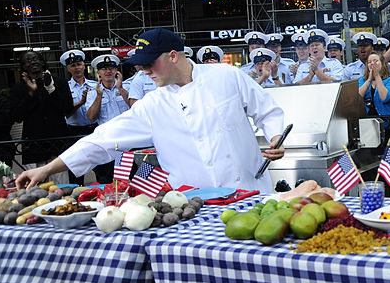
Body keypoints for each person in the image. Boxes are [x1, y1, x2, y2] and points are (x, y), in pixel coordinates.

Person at [15, 28, 286, 192]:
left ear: (172, 55)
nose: (143, 70)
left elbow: (267, 111)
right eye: (140, 65)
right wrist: (47, 170)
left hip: (248, 192)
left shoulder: (226, 75)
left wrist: (276, 138)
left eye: (149, 63)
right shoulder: (152, 106)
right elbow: (101, 141)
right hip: (195, 207)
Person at [10, 50, 74, 182]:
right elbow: (17, 116)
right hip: (34, 148)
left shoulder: (58, 82)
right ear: (23, 67)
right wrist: (31, 94)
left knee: (61, 190)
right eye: (28, 60)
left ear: (42, 62)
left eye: (35, 58)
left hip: (57, 146)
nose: (33, 62)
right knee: (36, 192)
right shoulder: (19, 89)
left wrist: (51, 89)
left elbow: (67, 108)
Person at [85, 54, 130, 183]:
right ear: (98, 72)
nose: (108, 71)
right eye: (104, 69)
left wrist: (121, 90)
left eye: (111, 68)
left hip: (127, 140)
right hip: (106, 141)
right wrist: (99, 96)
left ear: (116, 70)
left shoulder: (127, 86)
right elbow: (91, 117)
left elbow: (137, 110)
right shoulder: (93, 92)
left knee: (129, 179)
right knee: (107, 179)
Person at [61, 49, 98, 184]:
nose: (77, 68)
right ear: (68, 68)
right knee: (75, 170)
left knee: (101, 166)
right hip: (74, 131)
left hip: (93, 129)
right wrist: (80, 103)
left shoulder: (95, 85)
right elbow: (65, 112)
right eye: (73, 66)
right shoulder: (65, 87)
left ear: (84, 65)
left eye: (79, 64)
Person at [358, 52, 390, 118]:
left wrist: (377, 75)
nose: (372, 63)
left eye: (376, 61)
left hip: (387, 121)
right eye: (369, 62)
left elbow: (385, 98)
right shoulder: (363, 80)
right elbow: (358, 97)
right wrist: (369, 80)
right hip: (367, 120)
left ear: (382, 64)